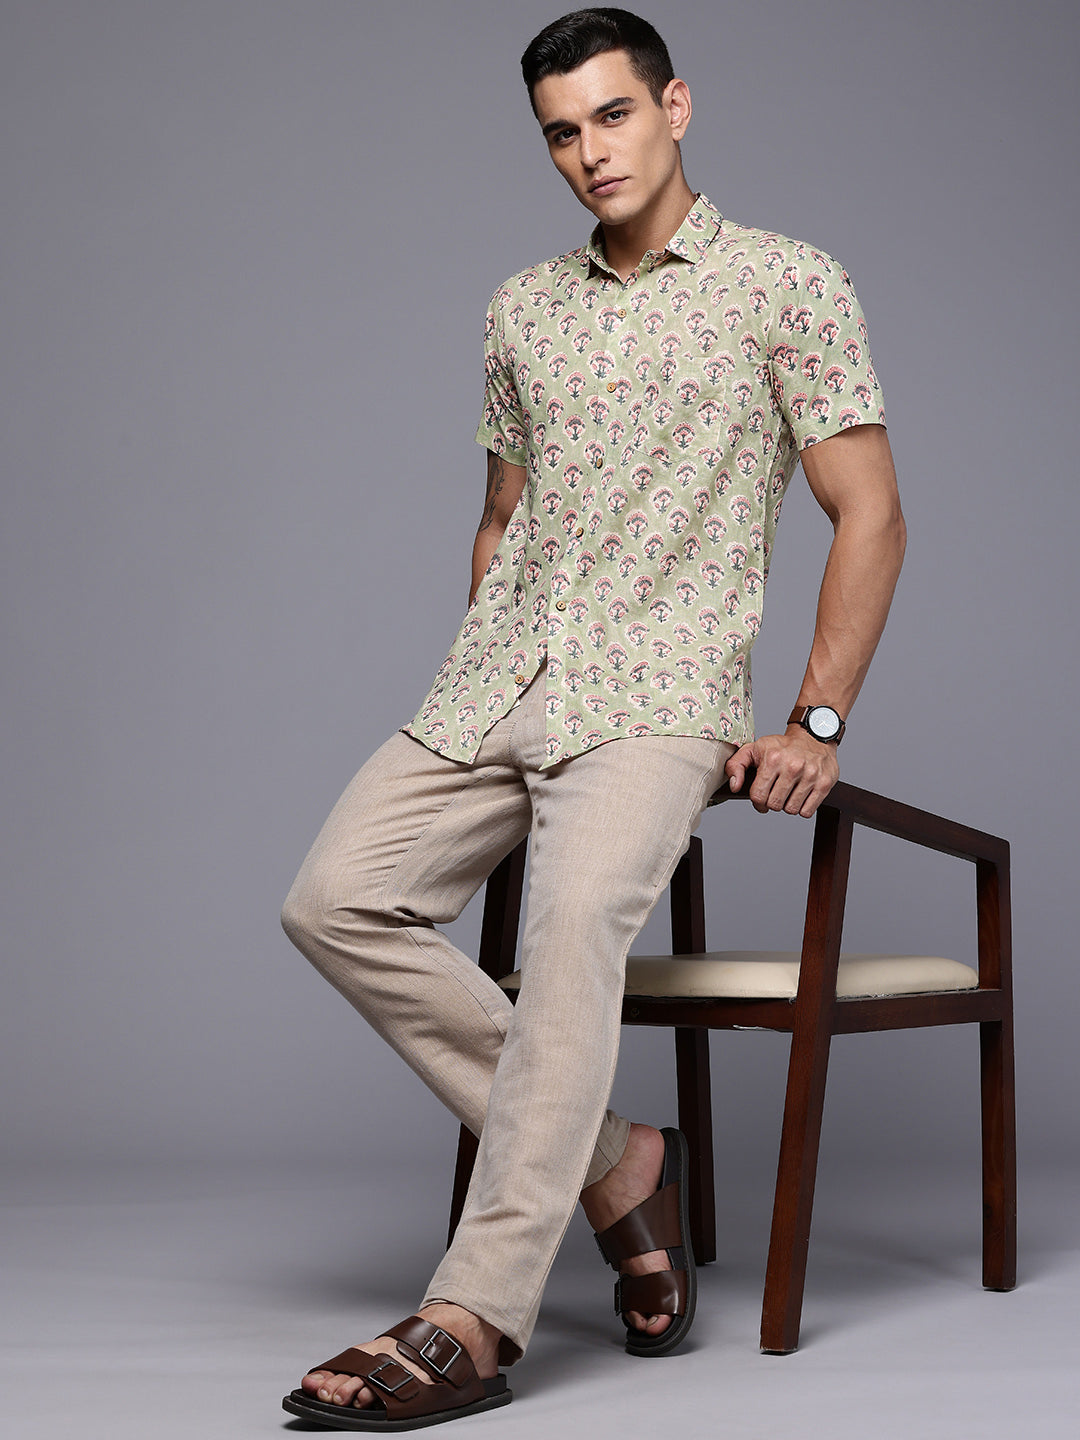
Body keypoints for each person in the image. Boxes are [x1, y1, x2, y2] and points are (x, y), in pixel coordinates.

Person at [280, 6, 906, 1429]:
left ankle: (473, 1314)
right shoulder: (522, 306)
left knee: (568, 939)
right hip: (500, 682)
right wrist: (479, 661)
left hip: (661, 696)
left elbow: (868, 512)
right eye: (562, 131)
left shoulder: (786, 283)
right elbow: (500, 515)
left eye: (612, 116)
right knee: (334, 901)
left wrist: (815, 719)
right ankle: (623, 1163)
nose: (588, 153)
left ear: (675, 106)